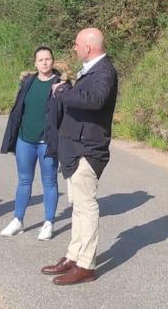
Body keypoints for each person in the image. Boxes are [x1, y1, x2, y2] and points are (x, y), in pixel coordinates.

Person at [40, 28, 118, 285]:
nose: (73, 48)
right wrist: (70, 88)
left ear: (88, 47)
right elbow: (86, 97)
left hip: (88, 149)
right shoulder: (91, 70)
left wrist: (63, 92)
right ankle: (74, 257)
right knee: (78, 208)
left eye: (76, 44)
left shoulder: (105, 71)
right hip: (75, 148)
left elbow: (95, 100)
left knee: (86, 207)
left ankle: (85, 265)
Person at [0, 45, 65, 240]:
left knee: (49, 182)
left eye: (48, 59)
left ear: (53, 61)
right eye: (40, 59)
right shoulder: (28, 82)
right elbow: (18, 109)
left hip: (47, 142)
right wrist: (13, 135)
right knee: (24, 180)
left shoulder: (61, 84)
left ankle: (48, 223)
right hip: (25, 140)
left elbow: (65, 116)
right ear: (35, 63)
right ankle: (18, 220)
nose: (44, 62)